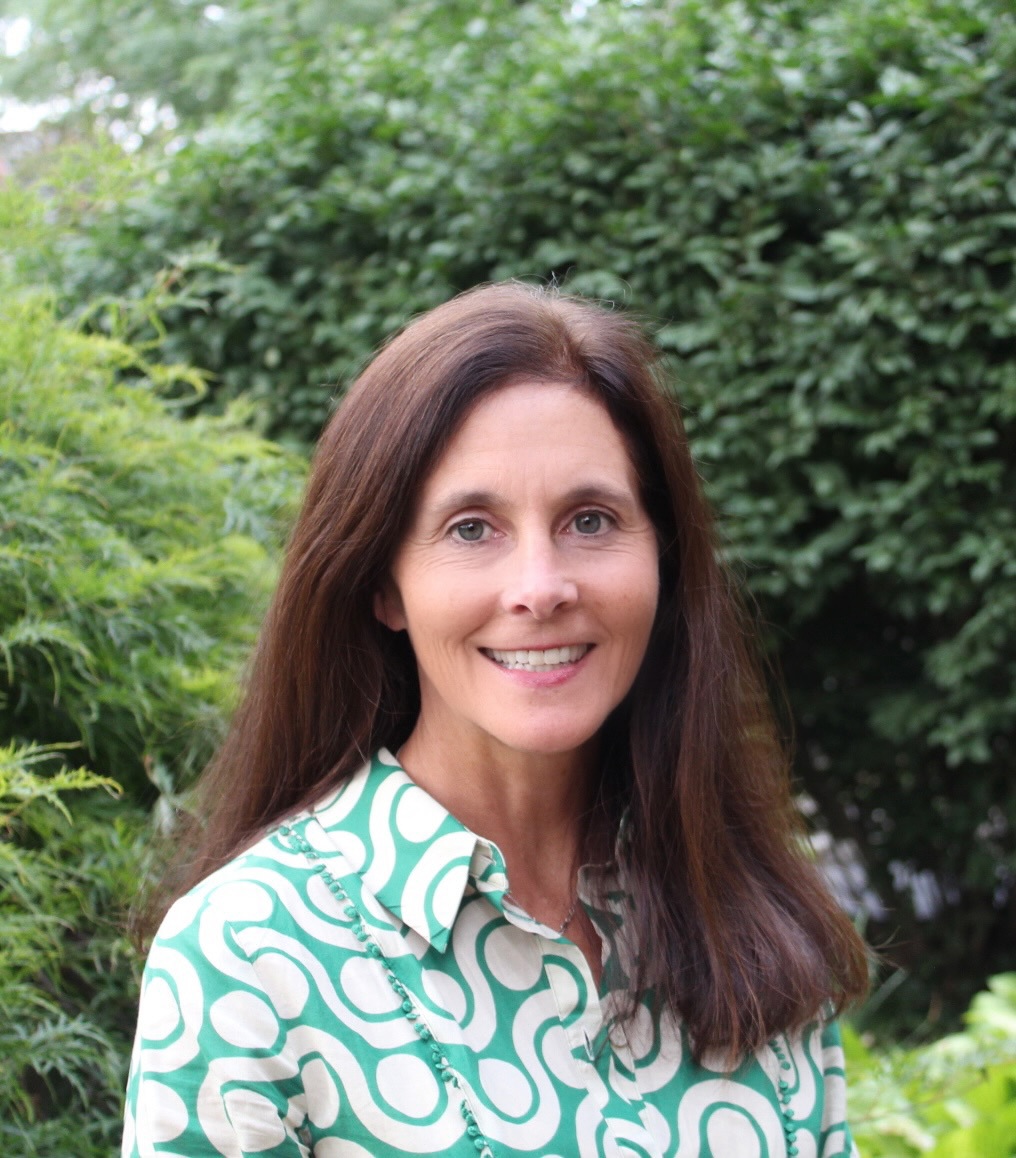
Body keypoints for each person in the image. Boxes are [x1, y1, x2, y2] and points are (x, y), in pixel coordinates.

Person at [123, 282, 869, 1158]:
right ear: (382, 582)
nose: (542, 588)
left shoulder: (743, 914)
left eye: (590, 520)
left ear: (662, 556)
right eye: (473, 529)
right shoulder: (246, 957)